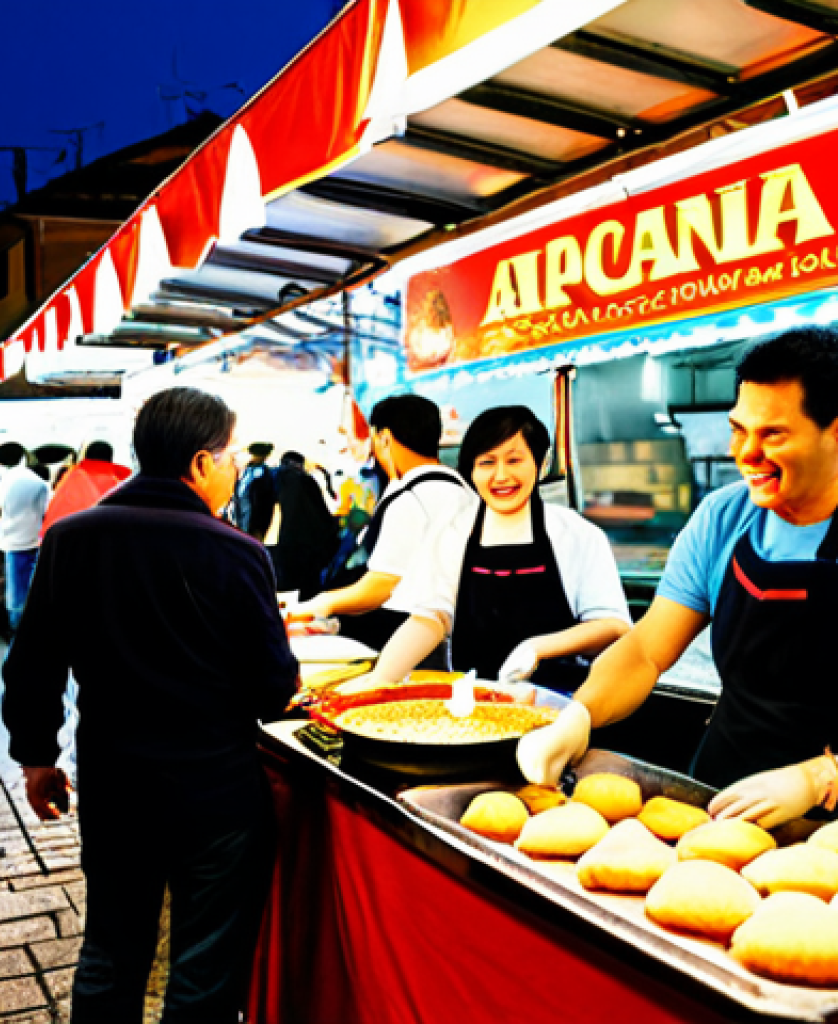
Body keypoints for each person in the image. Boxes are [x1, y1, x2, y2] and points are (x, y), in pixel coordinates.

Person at [1, 387, 298, 1024]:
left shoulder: (71, 539)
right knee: (204, 971)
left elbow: (33, 666)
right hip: (217, 796)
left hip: (115, 789)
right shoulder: (238, 553)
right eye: (231, 457)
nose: (236, 470)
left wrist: (35, 759)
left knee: (111, 952)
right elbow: (274, 687)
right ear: (199, 464)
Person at [517, 328, 838, 828]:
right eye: (738, 429)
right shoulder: (724, 517)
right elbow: (647, 650)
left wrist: (820, 775)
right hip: (720, 795)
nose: (746, 454)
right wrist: (579, 716)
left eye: (772, 434)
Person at [368, 405, 630, 689]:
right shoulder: (454, 531)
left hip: (564, 706)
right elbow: (431, 618)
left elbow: (613, 627)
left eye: (514, 460)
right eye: (487, 463)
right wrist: (381, 680)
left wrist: (538, 648)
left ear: (540, 464)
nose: (501, 476)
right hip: (475, 707)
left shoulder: (577, 534)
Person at [295, 394, 474, 653]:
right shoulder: (462, 489)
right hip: (452, 633)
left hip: (415, 641)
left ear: (384, 438)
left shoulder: (411, 498)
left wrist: (320, 604)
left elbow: (382, 586)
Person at [0, 442, 49, 632]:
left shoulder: (6, 480)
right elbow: (45, 511)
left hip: (10, 541)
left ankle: (16, 629)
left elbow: (1, 508)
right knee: (31, 589)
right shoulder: (37, 481)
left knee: (14, 591)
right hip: (34, 538)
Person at [270, 450, 338, 598]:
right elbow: (323, 517)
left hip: (277, 549)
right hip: (306, 550)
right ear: (299, 464)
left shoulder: (270, 479)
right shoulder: (306, 481)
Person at [40, 440, 131, 537]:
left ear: (86, 457)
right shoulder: (119, 483)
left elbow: (55, 512)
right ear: (110, 458)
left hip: (67, 538)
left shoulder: (71, 478)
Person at [233, 441, 276, 541]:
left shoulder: (262, 473)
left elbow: (265, 501)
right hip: (242, 510)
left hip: (254, 516)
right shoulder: (247, 470)